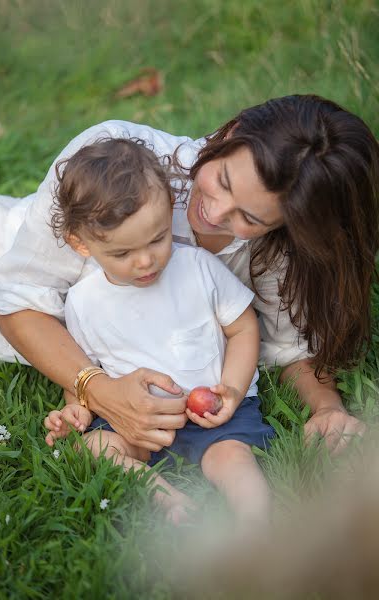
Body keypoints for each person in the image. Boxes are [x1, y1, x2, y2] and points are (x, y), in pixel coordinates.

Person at [0, 94, 378, 454]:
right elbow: (17, 300)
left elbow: (292, 350)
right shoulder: (114, 154)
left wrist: (327, 409)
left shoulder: (278, 253)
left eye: (249, 217)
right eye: (222, 180)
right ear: (232, 133)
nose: (215, 213)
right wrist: (100, 392)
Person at [43, 138, 274, 523]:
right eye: (122, 253)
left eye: (158, 238)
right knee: (96, 447)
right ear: (80, 244)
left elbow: (244, 328)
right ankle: (167, 499)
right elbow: (82, 368)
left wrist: (232, 389)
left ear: (170, 210)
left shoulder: (197, 267)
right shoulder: (83, 301)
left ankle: (256, 521)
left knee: (232, 456)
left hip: (212, 412)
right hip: (134, 421)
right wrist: (74, 409)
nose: (146, 260)